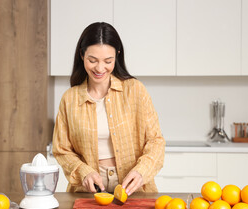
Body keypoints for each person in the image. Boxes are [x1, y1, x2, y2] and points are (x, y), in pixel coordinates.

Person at [52, 22, 165, 196]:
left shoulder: (135, 90)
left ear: (117, 56)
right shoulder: (70, 99)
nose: (99, 68)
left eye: (108, 61)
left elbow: (155, 141)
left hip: (133, 188)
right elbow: (61, 149)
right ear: (82, 55)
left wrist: (141, 171)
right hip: (88, 191)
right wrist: (83, 171)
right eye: (92, 60)